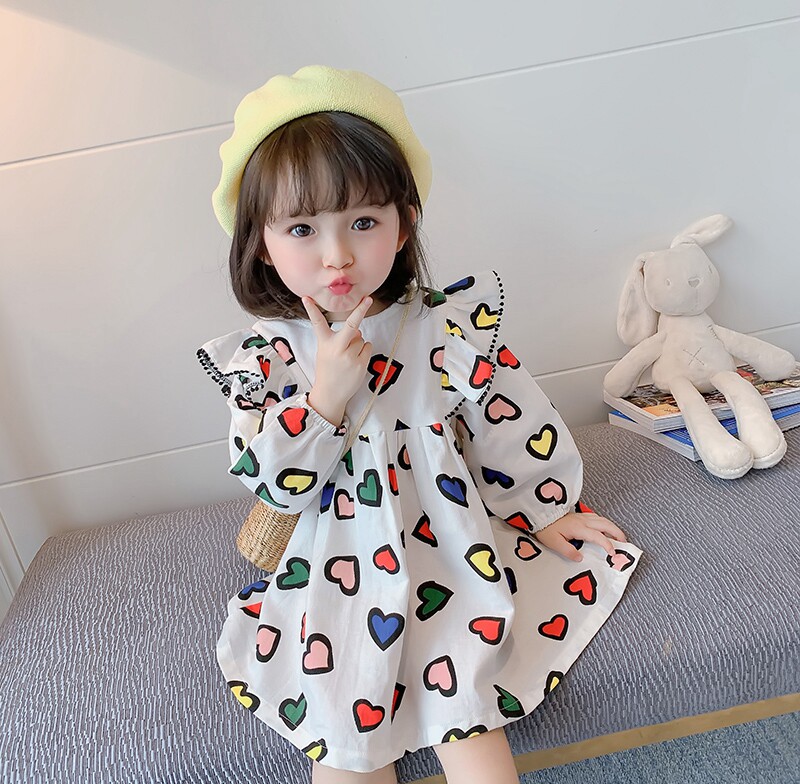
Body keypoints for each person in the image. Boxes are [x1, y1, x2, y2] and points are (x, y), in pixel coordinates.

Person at [197, 65, 643, 784]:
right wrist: (325, 398)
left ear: (403, 224)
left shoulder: (444, 329)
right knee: (344, 739)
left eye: (363, 222)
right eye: (303, 228)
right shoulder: (267, 360)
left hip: (448, 552)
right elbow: (275, 483)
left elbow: (510, 420)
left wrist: (546, 508)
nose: (337, 256)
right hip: (335, 572)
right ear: (261, 242)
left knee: (467, 712)